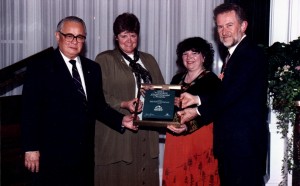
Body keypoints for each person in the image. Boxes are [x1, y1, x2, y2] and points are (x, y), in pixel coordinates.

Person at [21, 16, 137, 186]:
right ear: (57, 36)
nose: (74, 41)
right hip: (51, 156)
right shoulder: (40, 67)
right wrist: (30, 148)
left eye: (80, 37)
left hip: (84, 155)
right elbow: (29, 111)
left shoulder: (93, 68)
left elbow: (98, 106)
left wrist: (121, 120)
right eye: (69, 36)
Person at [178, 3, 269, 186]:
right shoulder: (233, 56)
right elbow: (227, 97)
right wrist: (196, 105)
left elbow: (231, 93)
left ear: (243, 26)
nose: (224, 31)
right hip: (233, 146)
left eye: (229, 25)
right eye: (220, 26)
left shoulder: (250, 54)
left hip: (244, 148)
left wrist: (197, 107)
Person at [94, 13, 165, 186]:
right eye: (124, 35)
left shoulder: (149, 60)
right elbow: (97, 96)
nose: (128, 40)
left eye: (133, 35)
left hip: (146, 132)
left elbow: (162, 92)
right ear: (116, 37)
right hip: (117, 132)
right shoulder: (104, 59)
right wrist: (124, 103)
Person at [162, 37, 221, 186]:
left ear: (204, 57)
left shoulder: (212, 81)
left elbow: (212, 111)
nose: (189, 58)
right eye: (185, 54)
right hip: (175, 136)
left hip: (199, 137)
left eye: (194, 53)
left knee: (197, 177)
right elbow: (167, 107)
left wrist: (187, 127)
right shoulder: (177, 79)